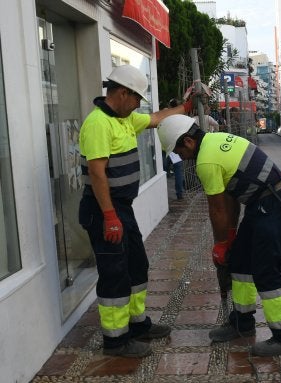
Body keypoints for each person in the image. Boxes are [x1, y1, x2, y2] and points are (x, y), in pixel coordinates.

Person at [156, 115, 281, 357]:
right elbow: (231, 196)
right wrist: (231, 237)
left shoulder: (205, 161)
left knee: (265, 269)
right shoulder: (216, 141)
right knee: (240, 261)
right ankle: (241, 322)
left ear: (188, 142)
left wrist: (221, 244)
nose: (179, 157)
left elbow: (217, 208)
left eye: (177, 150)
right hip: (260, 204)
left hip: (275, 203)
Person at [78, 65, 193, 358]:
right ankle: (116, 341)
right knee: (114, 272)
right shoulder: (98, 124)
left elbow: (156, 119)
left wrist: (185, 105)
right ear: (122, 93)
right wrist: (109, 216)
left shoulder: (125, 118)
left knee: (136, 266)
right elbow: (98, 174)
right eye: (137, 98)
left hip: (121, 210)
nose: (139, 105)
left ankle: (137, 323)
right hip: (105, 209)